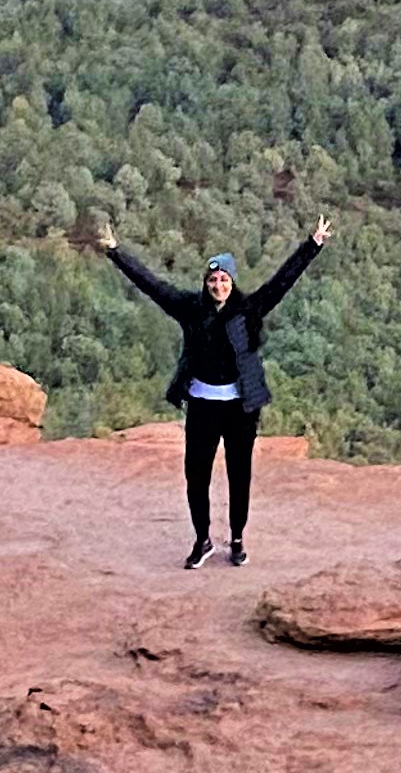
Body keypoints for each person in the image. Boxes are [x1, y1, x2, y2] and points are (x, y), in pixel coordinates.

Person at [101, 216, 333, 568]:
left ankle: (237, 540)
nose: (218, 285)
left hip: (240, 408)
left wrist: (312, 244)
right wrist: (116, 254)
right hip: (202, 405)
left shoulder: (249, 309)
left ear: (232, 281)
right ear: (206, 283)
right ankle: (203, 540)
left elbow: (284, 280)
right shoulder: (189, 308)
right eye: (213, 280)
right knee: (197, 475)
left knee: (239, 474)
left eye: (223, 279)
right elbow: (151, 284)